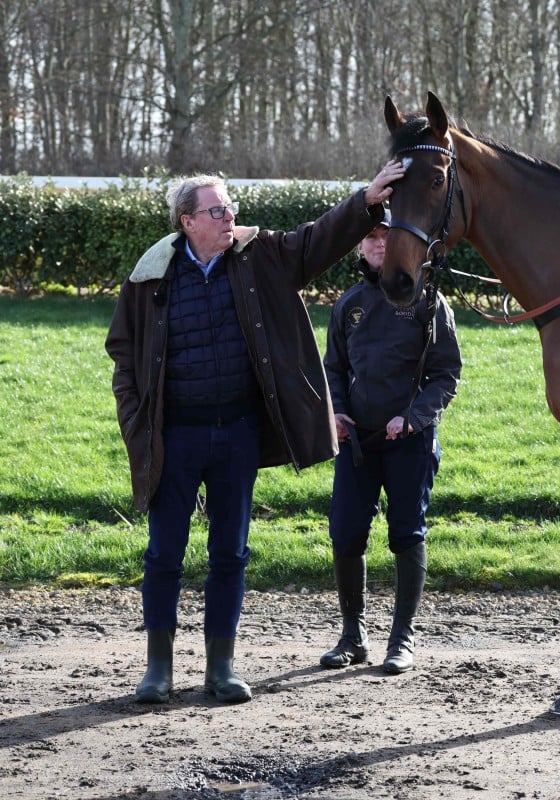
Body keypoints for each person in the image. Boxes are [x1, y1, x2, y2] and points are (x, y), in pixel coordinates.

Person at [105, 160, 408, 704]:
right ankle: (158, 670)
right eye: (217, 210)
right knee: (163, 555)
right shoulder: (150, 276)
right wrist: (135, 421)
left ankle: (221, 669)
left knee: (231, 554)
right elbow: (123, 355)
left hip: (237, 434)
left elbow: (316, 241)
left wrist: (367, 201)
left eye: (230, 207)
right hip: (173, 437)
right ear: (187, 221)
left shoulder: (258, 256)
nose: (230, 217)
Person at [319, 208, 461, 674]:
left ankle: (402, 639)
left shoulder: (428, 303)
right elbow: (333, 370)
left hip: (410, 443)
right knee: (345, 534)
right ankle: (352, 636)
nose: (379, 243)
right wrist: (336, 411)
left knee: (406, 534)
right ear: (360, 247)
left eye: (387, 235)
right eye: (371, 237)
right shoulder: (348, 304)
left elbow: (445, 375)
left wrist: (414, 418)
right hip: (357, 444)